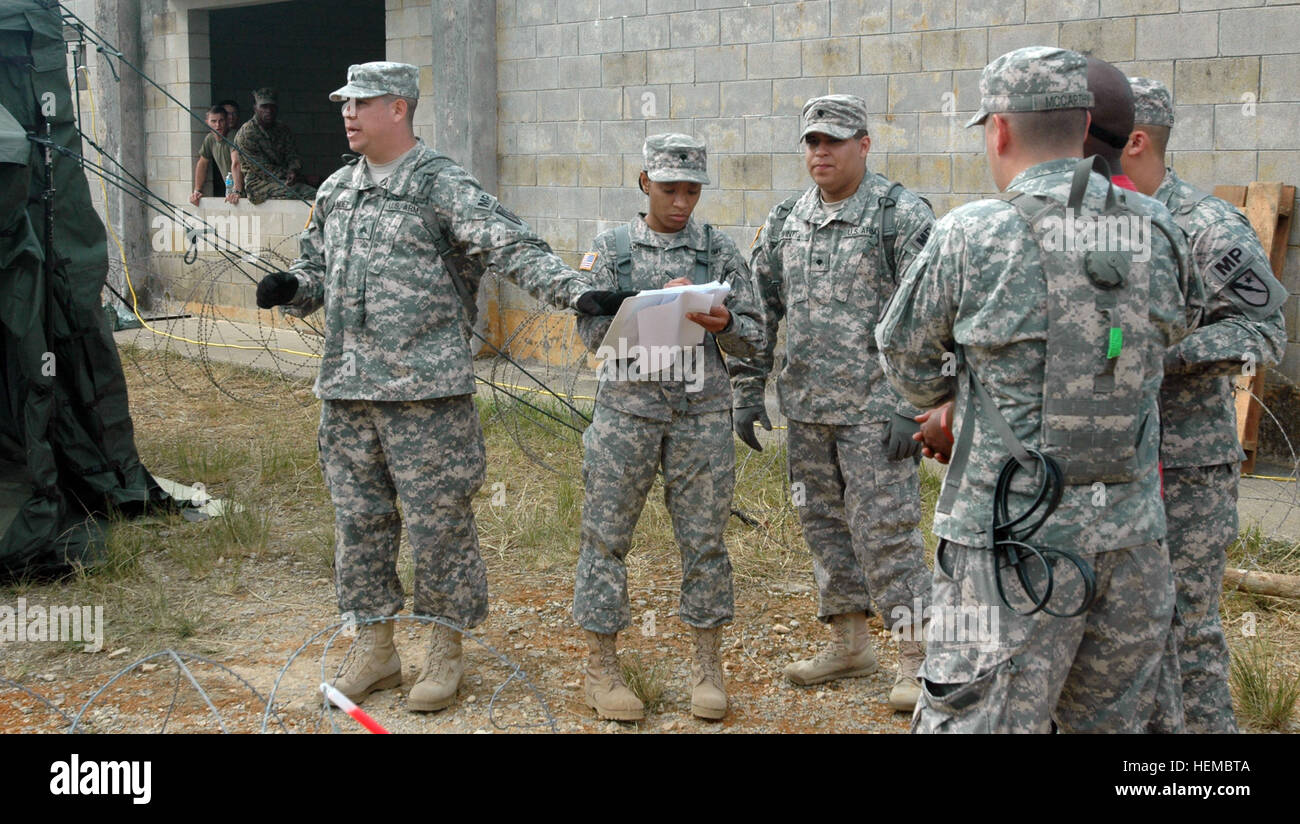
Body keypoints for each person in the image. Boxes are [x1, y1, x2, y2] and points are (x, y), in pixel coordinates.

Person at [878, 45, 1205, 733]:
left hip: (1009, 544)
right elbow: (1173, 332)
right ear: (1086, 123)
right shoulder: (1158, 225)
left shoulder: (973, 233)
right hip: (1132, 542)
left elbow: (904, 361)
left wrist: (956, 401)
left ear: (998, 130)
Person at [254, 62, 598, 712]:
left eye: (362, 103)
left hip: (427, 397)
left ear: (399, 109)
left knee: (440, 526)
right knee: (359, 523)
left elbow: (513, 247)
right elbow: (315, 271)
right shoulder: (335, 191)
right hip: (348, 394)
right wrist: (292, 290)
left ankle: (444, 649)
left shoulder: (442, 187)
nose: (347, 113)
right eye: (344, 103)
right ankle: (375, 648)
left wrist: (580, 292)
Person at [731, 94, 935, 711]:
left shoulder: (901, 217)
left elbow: (932, 315)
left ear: (864, 145)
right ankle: (850, 643)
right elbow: (759, 305)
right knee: (824, 529)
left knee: (887, 535)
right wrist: (747, 388)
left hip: (878, 414)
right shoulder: (788, 217)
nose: (822, 153)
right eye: (813, 142)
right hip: (808, 410)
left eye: (835, 142)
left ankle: (918, 656)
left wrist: (917, 403)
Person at [569, 134, 765, 722]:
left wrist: (724, 320)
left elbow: (757, 337)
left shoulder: (718, 251)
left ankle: (707, 665)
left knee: (705, 541)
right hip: (627, 414)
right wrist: (644, 309)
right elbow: (589, 336)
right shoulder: (611, 249)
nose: (681, 202)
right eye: (669, 188)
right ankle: (600, 668)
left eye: (691, 190)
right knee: (605, 538)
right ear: (643, 182)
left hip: (700, 415)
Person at [1125, 76, 1289, 733]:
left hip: (1186, 466)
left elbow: (1264, 332)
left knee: (1185, 626)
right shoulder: (1084, 223)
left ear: (1134, 140)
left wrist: (1166, 350)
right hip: (1107, 466)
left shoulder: (1204, 225)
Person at [232, 87, 315, 204]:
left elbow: (293, 154)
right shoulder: (247, 133)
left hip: (285, 180)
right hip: (258, 185)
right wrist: (288, 175)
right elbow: (261, 169)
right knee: (309, 193)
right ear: (255, 108)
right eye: (264, 107)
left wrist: (294, 170)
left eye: (272, 106)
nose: (268, 111)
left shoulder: (282, 129)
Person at [188, 105, 239, 206]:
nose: (218, 125)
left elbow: (236, 163)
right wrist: (197, 191)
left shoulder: (234, 136)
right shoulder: (210, 139)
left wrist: (237, 191)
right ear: (207, 122)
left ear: (227, 121)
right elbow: (202, 163)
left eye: (221, 121)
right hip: (231, 192)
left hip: (243, 191)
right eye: (213, 121)